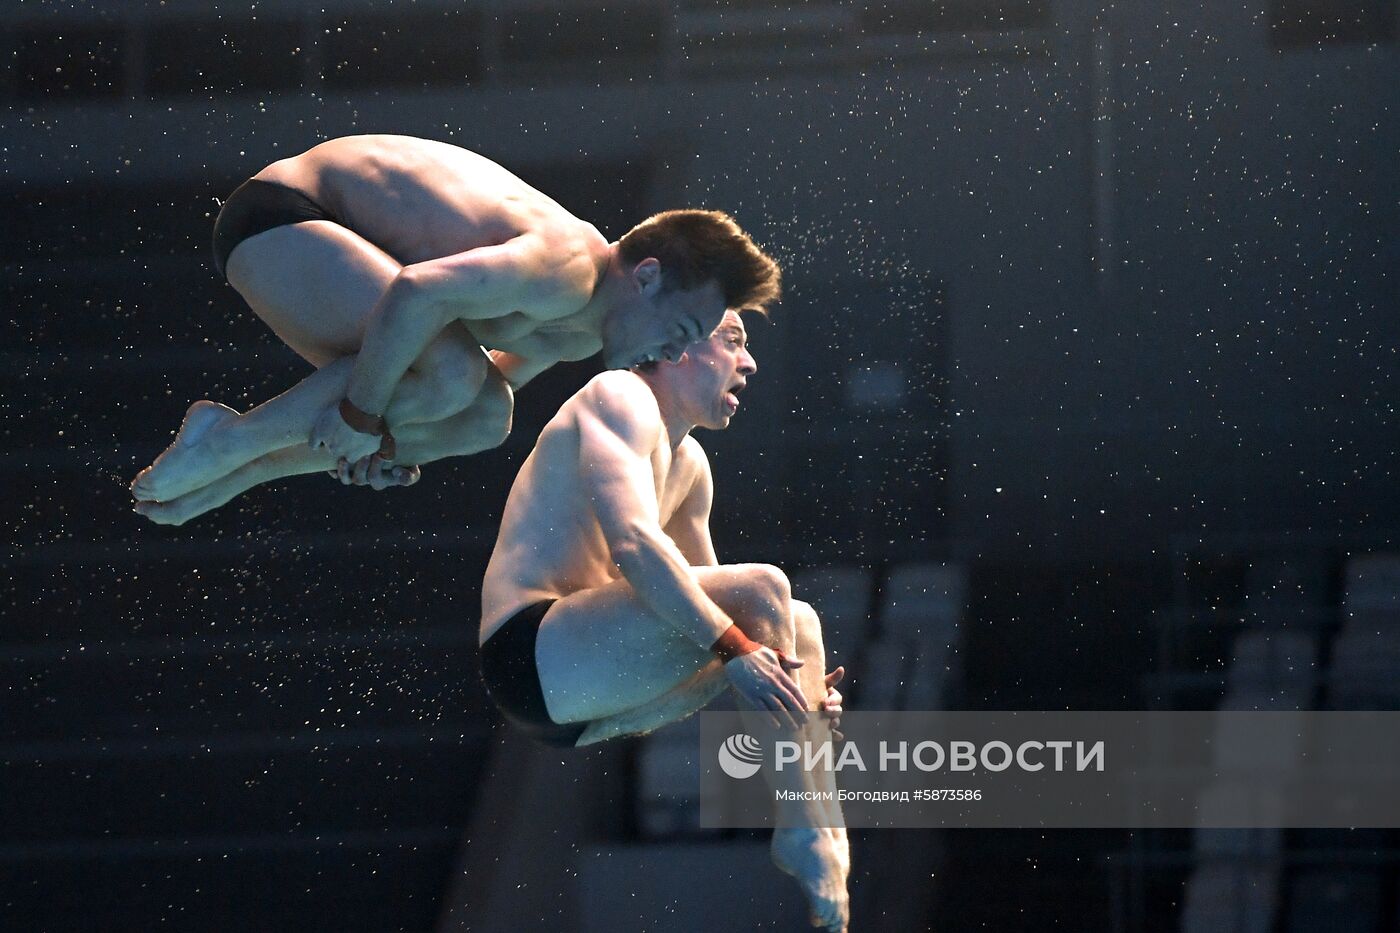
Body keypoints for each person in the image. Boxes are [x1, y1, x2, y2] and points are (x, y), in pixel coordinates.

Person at [130, 135, 781, 524]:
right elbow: (419, 292)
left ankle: (242, 469)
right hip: (282, 215)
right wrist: (360, 414)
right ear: (644, 278)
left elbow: (473, 398)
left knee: (485, 414)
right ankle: (227, 442)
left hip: (333, 257)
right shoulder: (564, 266)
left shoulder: (579, 333)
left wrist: (392, 445)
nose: (674, 351)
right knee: (450, 372)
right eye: (684, 328)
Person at [478, 310, 850, 931]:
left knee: (799, 624)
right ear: (676, 346)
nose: (750, 362)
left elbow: (717, 622)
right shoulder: (619, 394)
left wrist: (798, 690)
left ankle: (820, 840)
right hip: (531, 652)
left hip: (585, 698)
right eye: (733, 341)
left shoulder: (691, 466)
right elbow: (634, 546)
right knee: (765, 590)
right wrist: (744, 647)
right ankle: (807, 829)